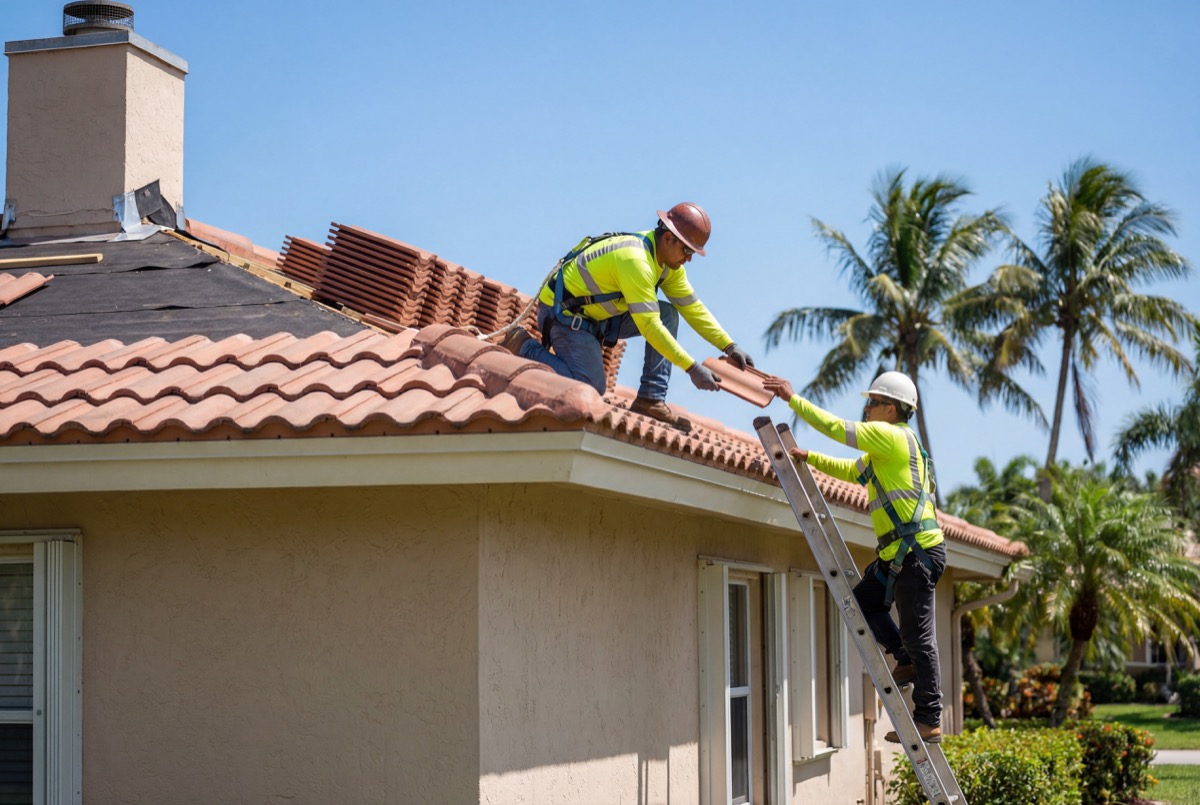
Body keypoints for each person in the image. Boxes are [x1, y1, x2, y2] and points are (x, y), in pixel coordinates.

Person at [761, 371, 947, 744]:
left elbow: (837, 428)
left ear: (891, 409)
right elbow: (853, 471)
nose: (867, 408)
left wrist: (792, 399)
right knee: (862, 604)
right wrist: (809, 457)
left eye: (874, 402)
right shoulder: (892, 447)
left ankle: (929, 718)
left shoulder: (891, 436)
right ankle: (903, 658)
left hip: (916, 554)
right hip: (902, 555)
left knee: (919, 635)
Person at [498, 202, 754, 431]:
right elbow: (649, 325)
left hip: (598, 318)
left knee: (669, 313)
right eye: (687, 251)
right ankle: (524, 346)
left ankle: (650, 399)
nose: (688, 259)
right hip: (564, 315)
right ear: (668, 239)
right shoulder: (636, 260)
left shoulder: (668, 265)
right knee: (588, 388)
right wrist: (691, 367)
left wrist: (729, 345)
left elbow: (693, 308)